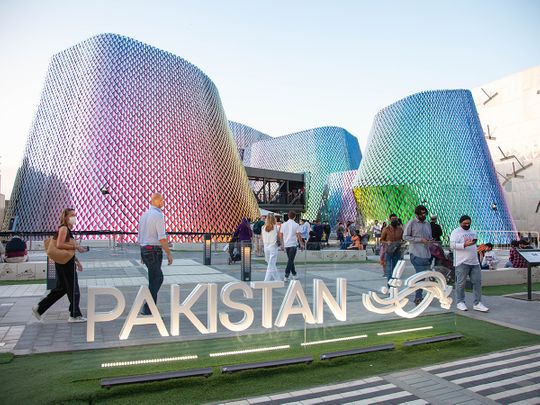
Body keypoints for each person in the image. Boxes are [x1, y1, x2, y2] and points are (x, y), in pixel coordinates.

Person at [32, 208, 88, 322]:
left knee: (61, 289)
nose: (74, 218)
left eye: (75, 215)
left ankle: (40, 308)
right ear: (66, 217)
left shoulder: (66, 229)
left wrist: (77, 261)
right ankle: (74, 315)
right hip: (65, 264)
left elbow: (66, 252)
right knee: (73, 289)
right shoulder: (63, 229)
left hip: (64, 262)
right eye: (72, 215)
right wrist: (76, 247)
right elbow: (59, 245)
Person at [138, 193, 173, 315]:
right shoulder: (158, 215)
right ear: (156, 201)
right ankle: (148, 307)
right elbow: (162, 238)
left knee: (153, 279)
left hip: (145, 249)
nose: (163, 202)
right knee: (158, 278)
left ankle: (150, 308)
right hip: (154, 250)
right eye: (162, 200)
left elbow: (140, 235)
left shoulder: (144, 215)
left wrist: (141, 253)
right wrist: (168, 253)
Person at [450, 215, 489, 312]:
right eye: (465, 223)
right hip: (461, 261)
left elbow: (474, 244)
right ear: (460, 223)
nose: (467, 225)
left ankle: (477, 303)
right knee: (461, 283)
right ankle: (460, 302)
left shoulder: (473, 232)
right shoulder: (456, 232)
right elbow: (452, 245)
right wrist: (464, 244)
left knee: (477, 282)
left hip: (474, 261)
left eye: (469, 223)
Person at [403, 205, 433, 305]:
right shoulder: (412, 223)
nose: (424, 215)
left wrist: (430, 241)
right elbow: (405, 236)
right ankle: (418, 297)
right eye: (422, 214)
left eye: (425, 213)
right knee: (420, 275)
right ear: (417, 214)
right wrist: (419, 240)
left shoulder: (428, 224)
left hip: (426, 253)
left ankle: (419, 295)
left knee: (424, 276)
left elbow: (429, 236)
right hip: (416, 253)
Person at [279, 211, 304, 281]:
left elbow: (280, 235)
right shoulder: (296, 225)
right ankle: (286, 275)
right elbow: (298, 235)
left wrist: (282, 244)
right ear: (295, 217)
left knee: (290, 260)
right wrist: (301, 244)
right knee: (290, 260)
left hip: (286, 245)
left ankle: (294, 274)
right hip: (293, 244)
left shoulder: (283, 225)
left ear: (288, 216)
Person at [381, 213, 404, 280]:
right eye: (393, 219)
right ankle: (389, 283)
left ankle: (394, 281)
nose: (394, 221)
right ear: (390, 220)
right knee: (389, 268)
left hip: (397, 250)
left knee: (396, 267)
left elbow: (403, 238)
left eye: (396, 219)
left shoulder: (400, 229)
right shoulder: (386, 229)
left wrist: (402, 242)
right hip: (388, 251)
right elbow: (381, 240)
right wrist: (387, 242)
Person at [262, 215, 280, 281]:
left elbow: (262, 238)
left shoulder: (263, 227)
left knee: (271, 265)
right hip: (273, 247)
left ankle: (278, 280)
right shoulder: (276, 227)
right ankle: (266, 281)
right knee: (271, 265)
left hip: (266, 247)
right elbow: (278, 237)